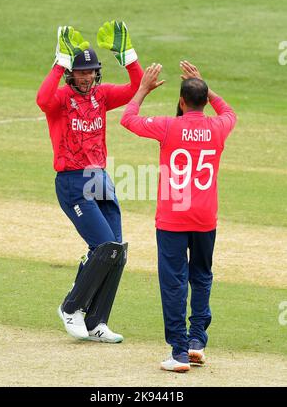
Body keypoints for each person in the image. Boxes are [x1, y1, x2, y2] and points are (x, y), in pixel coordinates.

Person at [120, 61, 237, 371]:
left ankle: (178, 352)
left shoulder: (169, 126)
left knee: (174, 283)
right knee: (201, 276)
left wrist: (142, 89)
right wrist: (205, 86)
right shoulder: (218, 126)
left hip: (173, 216)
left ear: (182, 102)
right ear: (202, 100)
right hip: (205, 218)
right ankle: (197, 341)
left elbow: (127, 119)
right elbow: (229, 112)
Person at [36, 22, 143, 343]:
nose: (86, 77)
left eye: (91, 72)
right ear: (71, 73)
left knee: (117, 251)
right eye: (80, 72)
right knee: (102, 247)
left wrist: (127, 55)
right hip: (72, 182)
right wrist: (59, 62)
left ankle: (96, 321)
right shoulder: (60, 99)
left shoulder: (102, 95)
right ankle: (71, 308)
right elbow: (42, 99)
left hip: (101, 180)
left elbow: (135, 87)